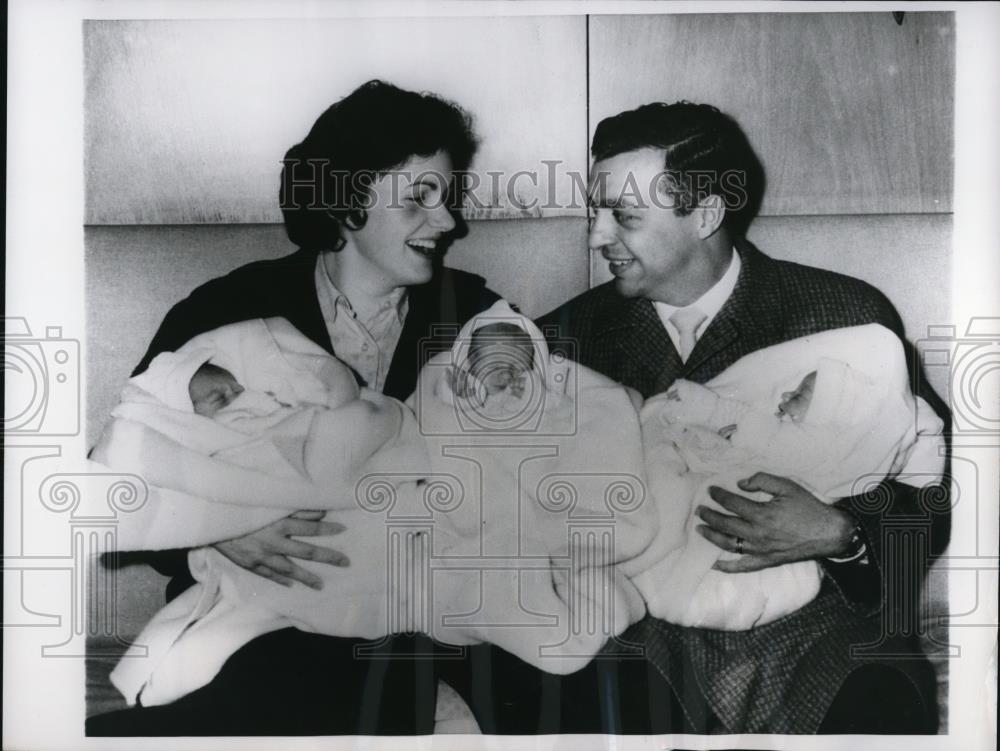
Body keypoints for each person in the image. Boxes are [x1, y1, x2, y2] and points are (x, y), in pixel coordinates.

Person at [87, 79, 501, 736]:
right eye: (420, 197)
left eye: (446, 197)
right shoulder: (226, 313)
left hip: (410, 624)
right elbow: (121, 472)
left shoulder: (480, 323)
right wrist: (218, 527)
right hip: (250, 617)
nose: (449, 220)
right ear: (346, 199)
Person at [523, 101, 950, 734]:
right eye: (596, 211)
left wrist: (844, 533)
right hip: (637, 625)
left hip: (816, 628)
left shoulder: (844, 316)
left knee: (880, 705)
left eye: (625, 217)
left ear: (706, 213)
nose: (596, 237)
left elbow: (932, 488)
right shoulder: (565, 338)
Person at [629, 323, 945, 632]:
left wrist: (844, 533)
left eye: (800, 395)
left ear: (827, 412)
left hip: (811, 608)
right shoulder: (589, 321)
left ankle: (684, 594)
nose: (784, 395)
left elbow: (926, 505)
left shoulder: (844, 312)